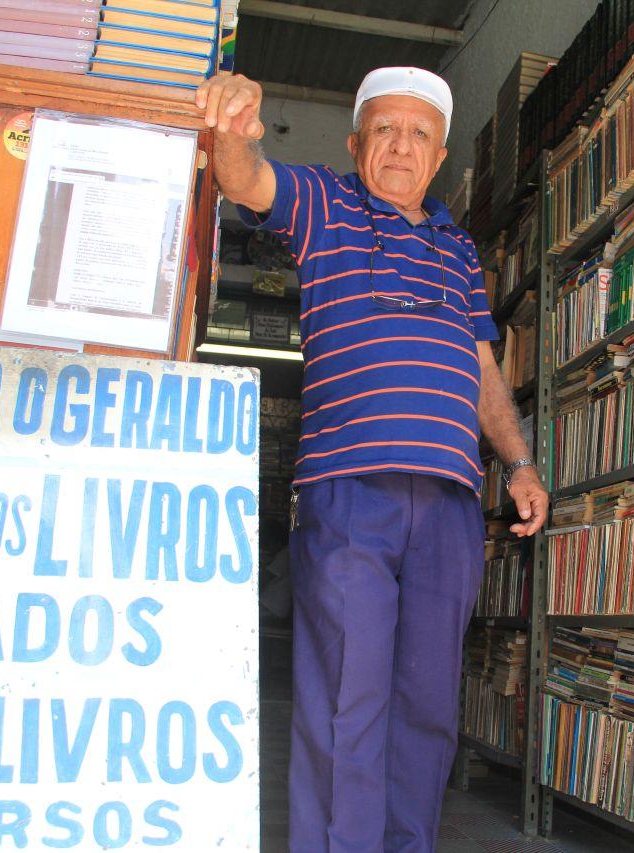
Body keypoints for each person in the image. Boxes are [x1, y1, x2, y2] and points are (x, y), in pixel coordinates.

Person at [196, 66, 549, 852]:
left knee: (427, 708)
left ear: (441, 156)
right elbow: (246, 179)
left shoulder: (460, 249)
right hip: (349, 489)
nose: (400, 145)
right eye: (385, 128)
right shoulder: (327, 203)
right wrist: (234, 128)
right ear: (356, 144)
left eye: (419, 133)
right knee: (345, 703)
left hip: (450, 504)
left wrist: (519, 463)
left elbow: (484, 370)